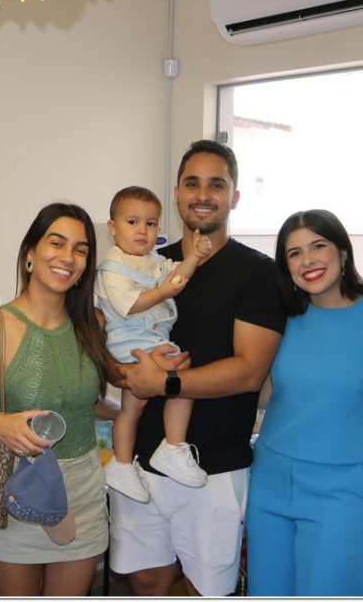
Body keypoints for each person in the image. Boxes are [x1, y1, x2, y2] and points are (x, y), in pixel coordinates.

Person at [109, 139, 286, 596]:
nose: (202, 194)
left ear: (234, 197)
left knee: (204, 588)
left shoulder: (257, 273)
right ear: (176, 193)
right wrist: (118, 370)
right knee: (145, 578)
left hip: (215, 465)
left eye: (216, 185)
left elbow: (249, 371)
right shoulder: (147, 264)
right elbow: (108, 333)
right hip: (140, 460)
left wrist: (166, 382)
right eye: (192, 183)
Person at [0, 202, 109, 596]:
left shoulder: (93, 324)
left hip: (84, 488)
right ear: (30, 252)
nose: (68, 257)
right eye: (57, 243)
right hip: (18, 488)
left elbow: (84, 403)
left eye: (81, 249)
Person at [246, 209, 363, 596]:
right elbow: (261, 392)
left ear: (343, 252)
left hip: (346, 494)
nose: (307, 261)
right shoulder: (281, 319)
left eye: (318, 246)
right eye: (294, 253)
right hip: (268, 483)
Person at [97, 186, 211, 502]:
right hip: (129, 341)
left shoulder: (153, 261)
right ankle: (172, 446)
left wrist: (193, 257)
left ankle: (122, 463)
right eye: (132, 222)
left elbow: (177, 278)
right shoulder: (113, 264)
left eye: (150, 224)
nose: (142, 230)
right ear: (113, 228)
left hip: (147, 339)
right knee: (181, 373)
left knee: (132, 407)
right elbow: (129, 304)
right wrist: (162, 292)